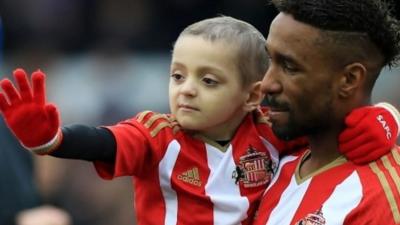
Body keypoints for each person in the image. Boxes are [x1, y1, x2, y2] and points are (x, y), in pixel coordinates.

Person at [0, 16, 398, 225]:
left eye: (208, 80)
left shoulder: (269, 132)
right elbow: (105, 142)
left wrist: (386, 117)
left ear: (251, 94)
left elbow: (332, 127)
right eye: (178, 76)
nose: (186, 90)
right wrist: (51, 139)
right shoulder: (160, 135)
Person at [253, 0, 400, 224]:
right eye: (270, 59)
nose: (266, 84)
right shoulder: (271, 157)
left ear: (349, 79)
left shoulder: (381, 199)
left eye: (289, 67)